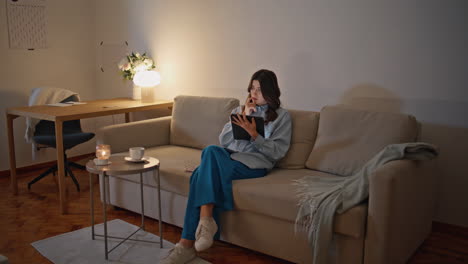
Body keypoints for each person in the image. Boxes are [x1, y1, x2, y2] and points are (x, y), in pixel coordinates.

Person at [161, 69, 292, 264]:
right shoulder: (238, 110)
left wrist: (255, 135)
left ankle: (187, 243)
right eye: (252, 88)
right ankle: (205, 225)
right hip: (230, 158)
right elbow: (223, 141)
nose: (254, 93)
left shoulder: (282, 117)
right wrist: (244, 116)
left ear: (271, 92)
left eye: (260, 89)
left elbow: (277, 152)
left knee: (199, 173)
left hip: (255, 164)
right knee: (212, 150)